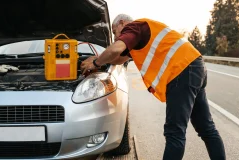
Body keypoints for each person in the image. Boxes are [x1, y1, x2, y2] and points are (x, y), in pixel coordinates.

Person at [80, 14, 226, 160]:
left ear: (122, 23)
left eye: (114, 31)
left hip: (181, 71)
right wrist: (100, 60)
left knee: (174, 132)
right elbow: (118, 59)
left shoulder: (134, 28)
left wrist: (95, 64)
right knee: (206, 128)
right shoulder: (140, 35)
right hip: (196, 66)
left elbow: (115, 50)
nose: (116, 36)